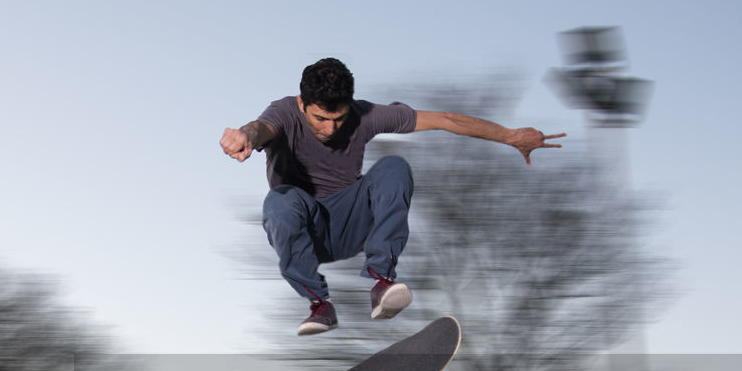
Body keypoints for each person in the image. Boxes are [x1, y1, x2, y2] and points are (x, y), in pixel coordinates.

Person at [221, 57, 565, 335]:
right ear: (302, 103)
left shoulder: (366, 115)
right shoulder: (283, 112)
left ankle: (382, 282)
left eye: (338, 119)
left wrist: (509, 136)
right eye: (320, 119)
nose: (330, 129)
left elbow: (444, 119)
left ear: (349, 106)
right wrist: (246, 136)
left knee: (393, 167)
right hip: (307, 232)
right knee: (280, 201)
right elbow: (261, 128)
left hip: (353, 223)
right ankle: (319, 305)